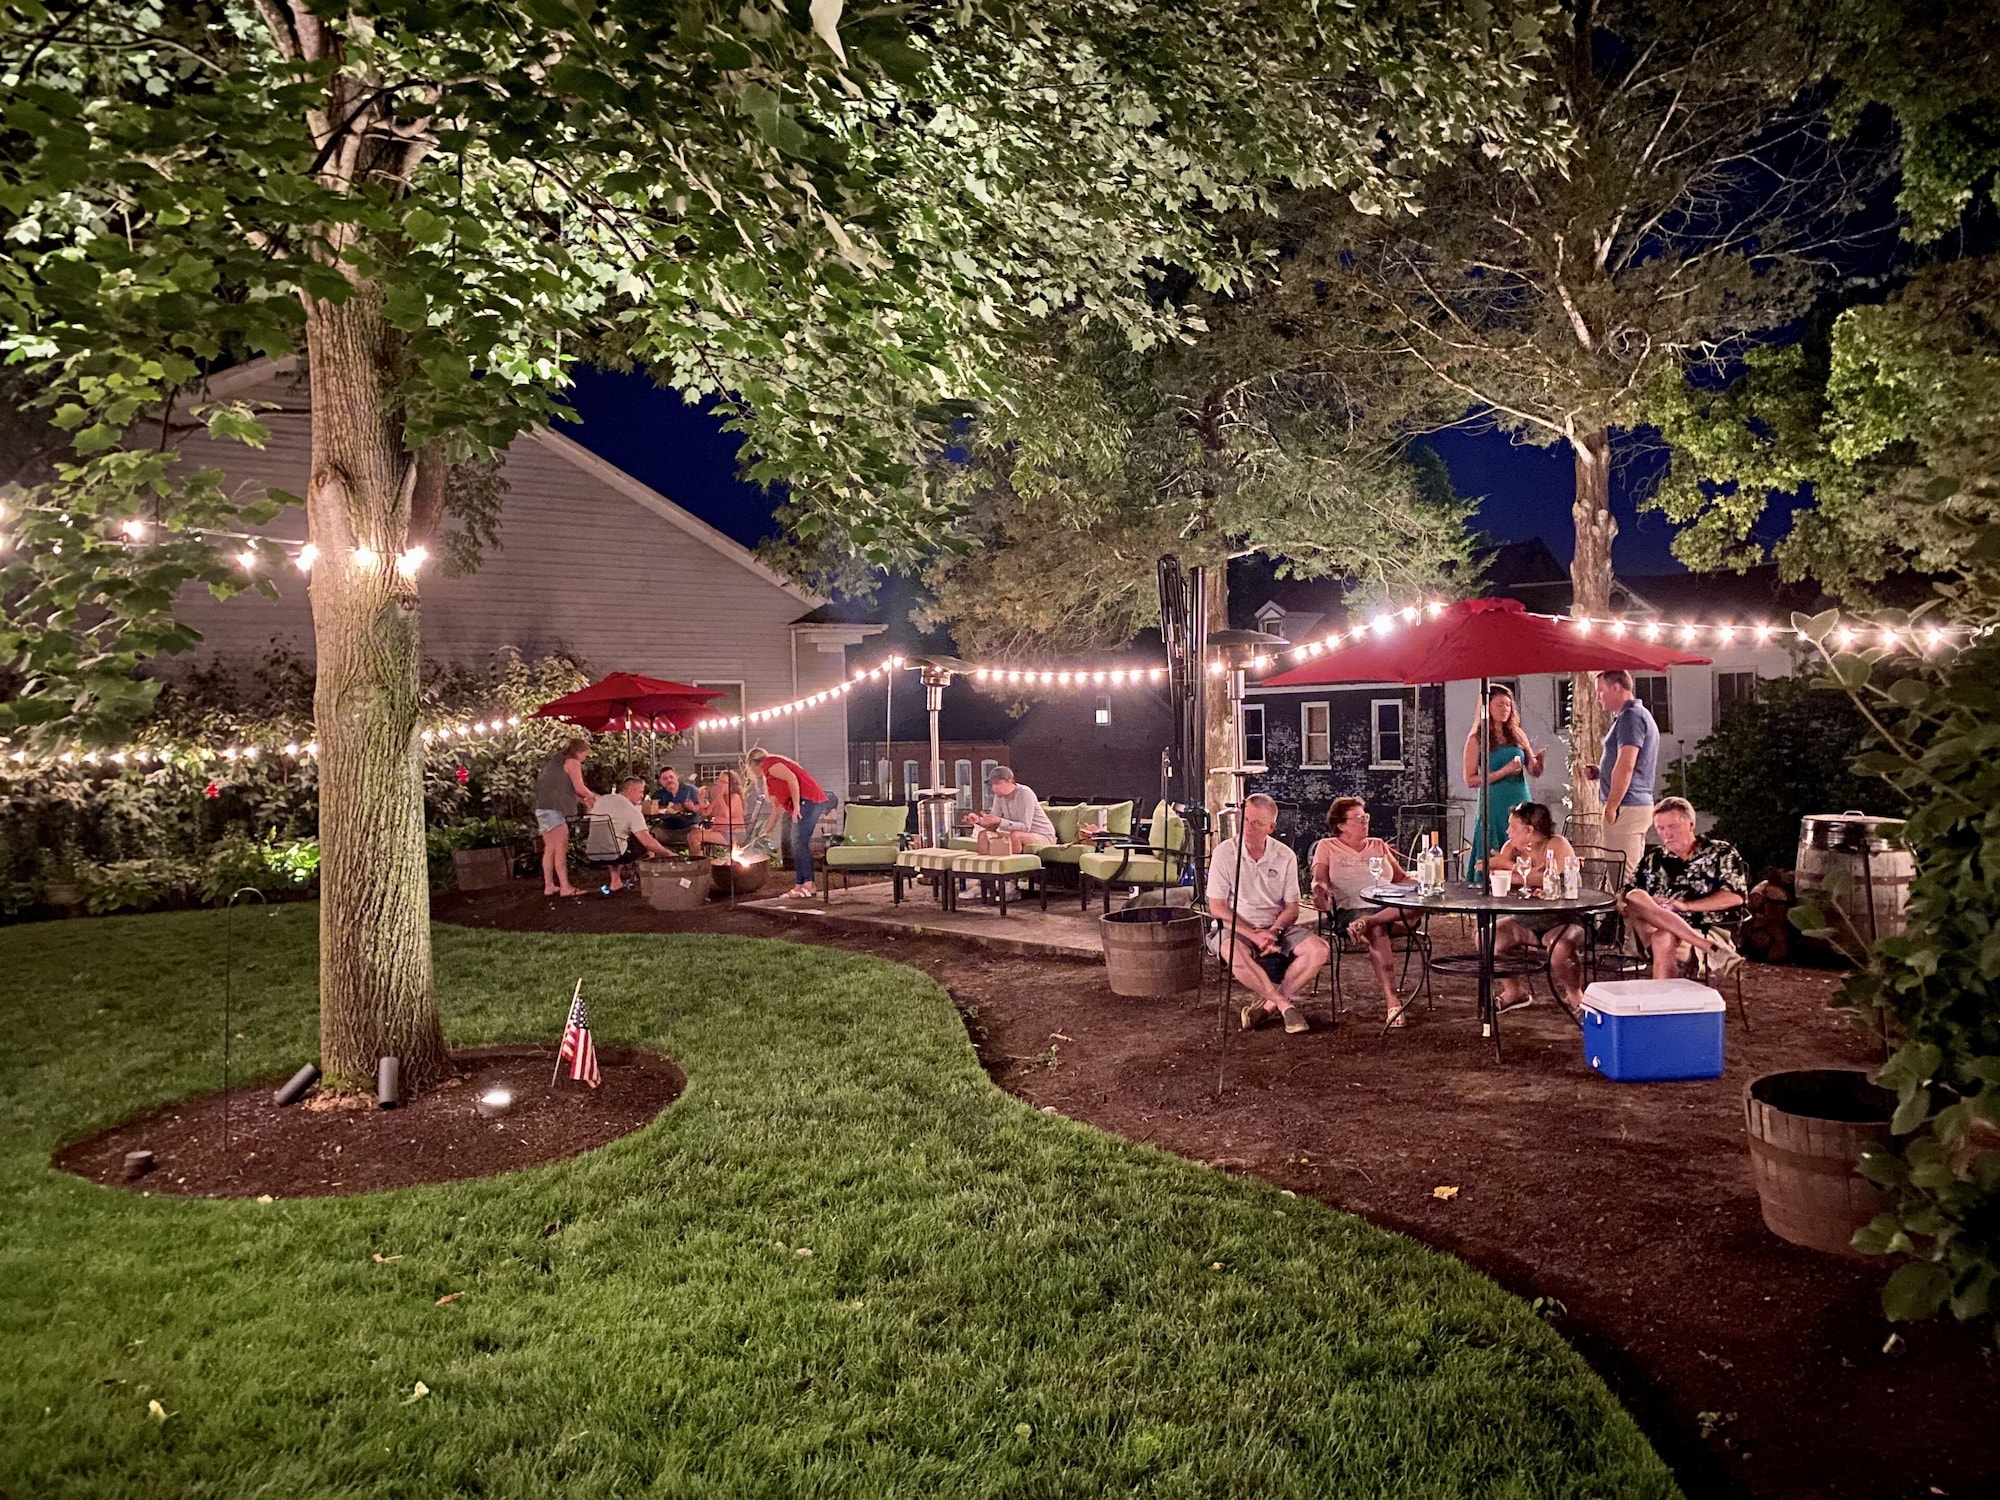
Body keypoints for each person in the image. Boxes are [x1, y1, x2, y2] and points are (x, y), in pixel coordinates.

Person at [1210, 793, 1329, 1035]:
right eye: (1245, 820)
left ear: (1271, 827)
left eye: (1257, 823)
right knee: (1231, 950)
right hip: (1235, 927)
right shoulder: (1225, 852)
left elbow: (1292, 907)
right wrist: (1254, 935)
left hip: (1276, 926)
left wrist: (1274, 931)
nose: (1248, 827)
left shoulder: (1284, 855)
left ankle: (1266, 1008)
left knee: (1319, 949)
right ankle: (1285, 1006)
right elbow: (1218, 908)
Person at [1310, 797, 1416, 1026]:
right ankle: (1392, 1002)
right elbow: (1319, 879)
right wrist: (1319, 891)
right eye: (1358, 818)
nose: (1364, 821)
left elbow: (1401, 878)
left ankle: (1370, 921)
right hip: (1352, 910)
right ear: (1341, 825)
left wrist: (1421, 883)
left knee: (1423, 902)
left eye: (1365, 817)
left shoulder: (1378, 844)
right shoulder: (1327, 847)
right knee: (1377, 930)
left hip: (1390, 907)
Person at [1622, 796, 1748, 982]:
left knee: (1663, 938)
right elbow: (1627, 894)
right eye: (1660, 828)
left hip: (1704, 927)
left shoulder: (1721, 853)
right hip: (1652, 928)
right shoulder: (1654, 858)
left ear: (1691, 824)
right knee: (1635, 895)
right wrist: (1653, 905)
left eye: (1672, 827)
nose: (1666, 834)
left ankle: (1662, 1000)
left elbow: (1735, 897)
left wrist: (1685, 906)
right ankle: (1709, 948)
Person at [1486, 801, 1586, 1016]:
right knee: (1487, 937)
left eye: (1512, 827)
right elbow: (1496, 877)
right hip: (1526, 920)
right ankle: (1514, 991)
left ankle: (1575, 994)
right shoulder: (1511, 849)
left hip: (1563, 918)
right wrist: (1525, 875)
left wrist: (1510, 868)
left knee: (1561, 947)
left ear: (1529, 831)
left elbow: (1553, 880)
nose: (1507, 831)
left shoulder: (1557, 845)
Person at [1463, 683, 1544, 878]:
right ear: (1487, 707)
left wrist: (1538, 762)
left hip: (1520, 798)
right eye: (1500, 705)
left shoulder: (1517, 734)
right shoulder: (1477, 739)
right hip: (1494, 802)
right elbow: (1470, 780)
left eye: (1508, 705)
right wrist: (1503, 771)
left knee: (1524, 842)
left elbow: (1533, 770)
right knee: (1495, 841)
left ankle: (1525, 883)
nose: (1505, 709)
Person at [1583, 669, 1658, 870]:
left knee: (1622, 875)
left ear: (1616, 687)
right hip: (1633, 804)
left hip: (1626, 805)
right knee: (1629, 872)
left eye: (1600, 690)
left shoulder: (1631, 717)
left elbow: (1626, 764)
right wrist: (1601, 772)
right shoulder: (1632, 716)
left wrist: (1612, 805)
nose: (1598, 696)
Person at [747, 746, 834, 898]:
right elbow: (776, 809)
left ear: (754, 763)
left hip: (809, 800)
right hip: (803, 803)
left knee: (800, 841)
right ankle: (799, 885)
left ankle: (809, 884)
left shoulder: (769, 763)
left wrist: (797, 806)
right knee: (796, 842)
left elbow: (792, 778)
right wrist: (767, 832)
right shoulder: (770, 780)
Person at [588, 776, 683, 892]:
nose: (642, 796)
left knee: (615, 839)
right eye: (640, 792)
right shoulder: (632, 810)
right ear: (630, 791)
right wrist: (669, 854)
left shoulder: (602, 800)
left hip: (593, 851)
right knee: (648, 839)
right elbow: (648, 842)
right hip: (616, 854)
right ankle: (649, 878)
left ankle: (615, 881)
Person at [533, 737, 596, 898]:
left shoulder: (554, 763)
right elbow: (579, 787)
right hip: (554, 810)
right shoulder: (572, 762)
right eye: (585, 754)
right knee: (561, 846)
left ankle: (549, 886)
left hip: (542, 809)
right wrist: (596, 797)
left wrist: (582, 800)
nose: (585, 757)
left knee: (550, 848)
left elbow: (562, 790)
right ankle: (565, 887)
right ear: (579, 751)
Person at [970, 766, 1056, 856]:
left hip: (1041, 835)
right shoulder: (999, 796)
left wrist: (999, 821)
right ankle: (989, 862)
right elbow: (993, 824)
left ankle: (1011, 862)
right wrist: (979, 821)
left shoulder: (1025, 793)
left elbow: (1025, 827)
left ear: (1009, 781)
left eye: (997, 783)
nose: (994, 788)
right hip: (1013, 833)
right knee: (983, 835)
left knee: (1016, 836)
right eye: (992, 784)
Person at [688, 768, 748, 856]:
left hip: (733, 833)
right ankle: (697, 858)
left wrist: (720, 796)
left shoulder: (735, 797)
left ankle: (699, 861)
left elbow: (727, 814)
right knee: (691, 835)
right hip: (719, 830)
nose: (719, 784)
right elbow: (706, 812)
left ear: (731, 785)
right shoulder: (719, 798)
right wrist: (700, 798)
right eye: (719, 780)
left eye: (723, 782)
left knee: (696, 837)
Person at [644, 767, 702, 846]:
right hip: (667, 828)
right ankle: (661, 853)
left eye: (671, 777)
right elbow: (652, 810)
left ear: (677, 777)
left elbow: (705, 806)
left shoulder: (691, 790)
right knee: (650, 833)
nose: (669, 780)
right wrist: (663, 809)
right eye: (665, 779)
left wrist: (692, 807)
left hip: (689, 827)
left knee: (696, 833)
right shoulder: (658, 795)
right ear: (660, 781)